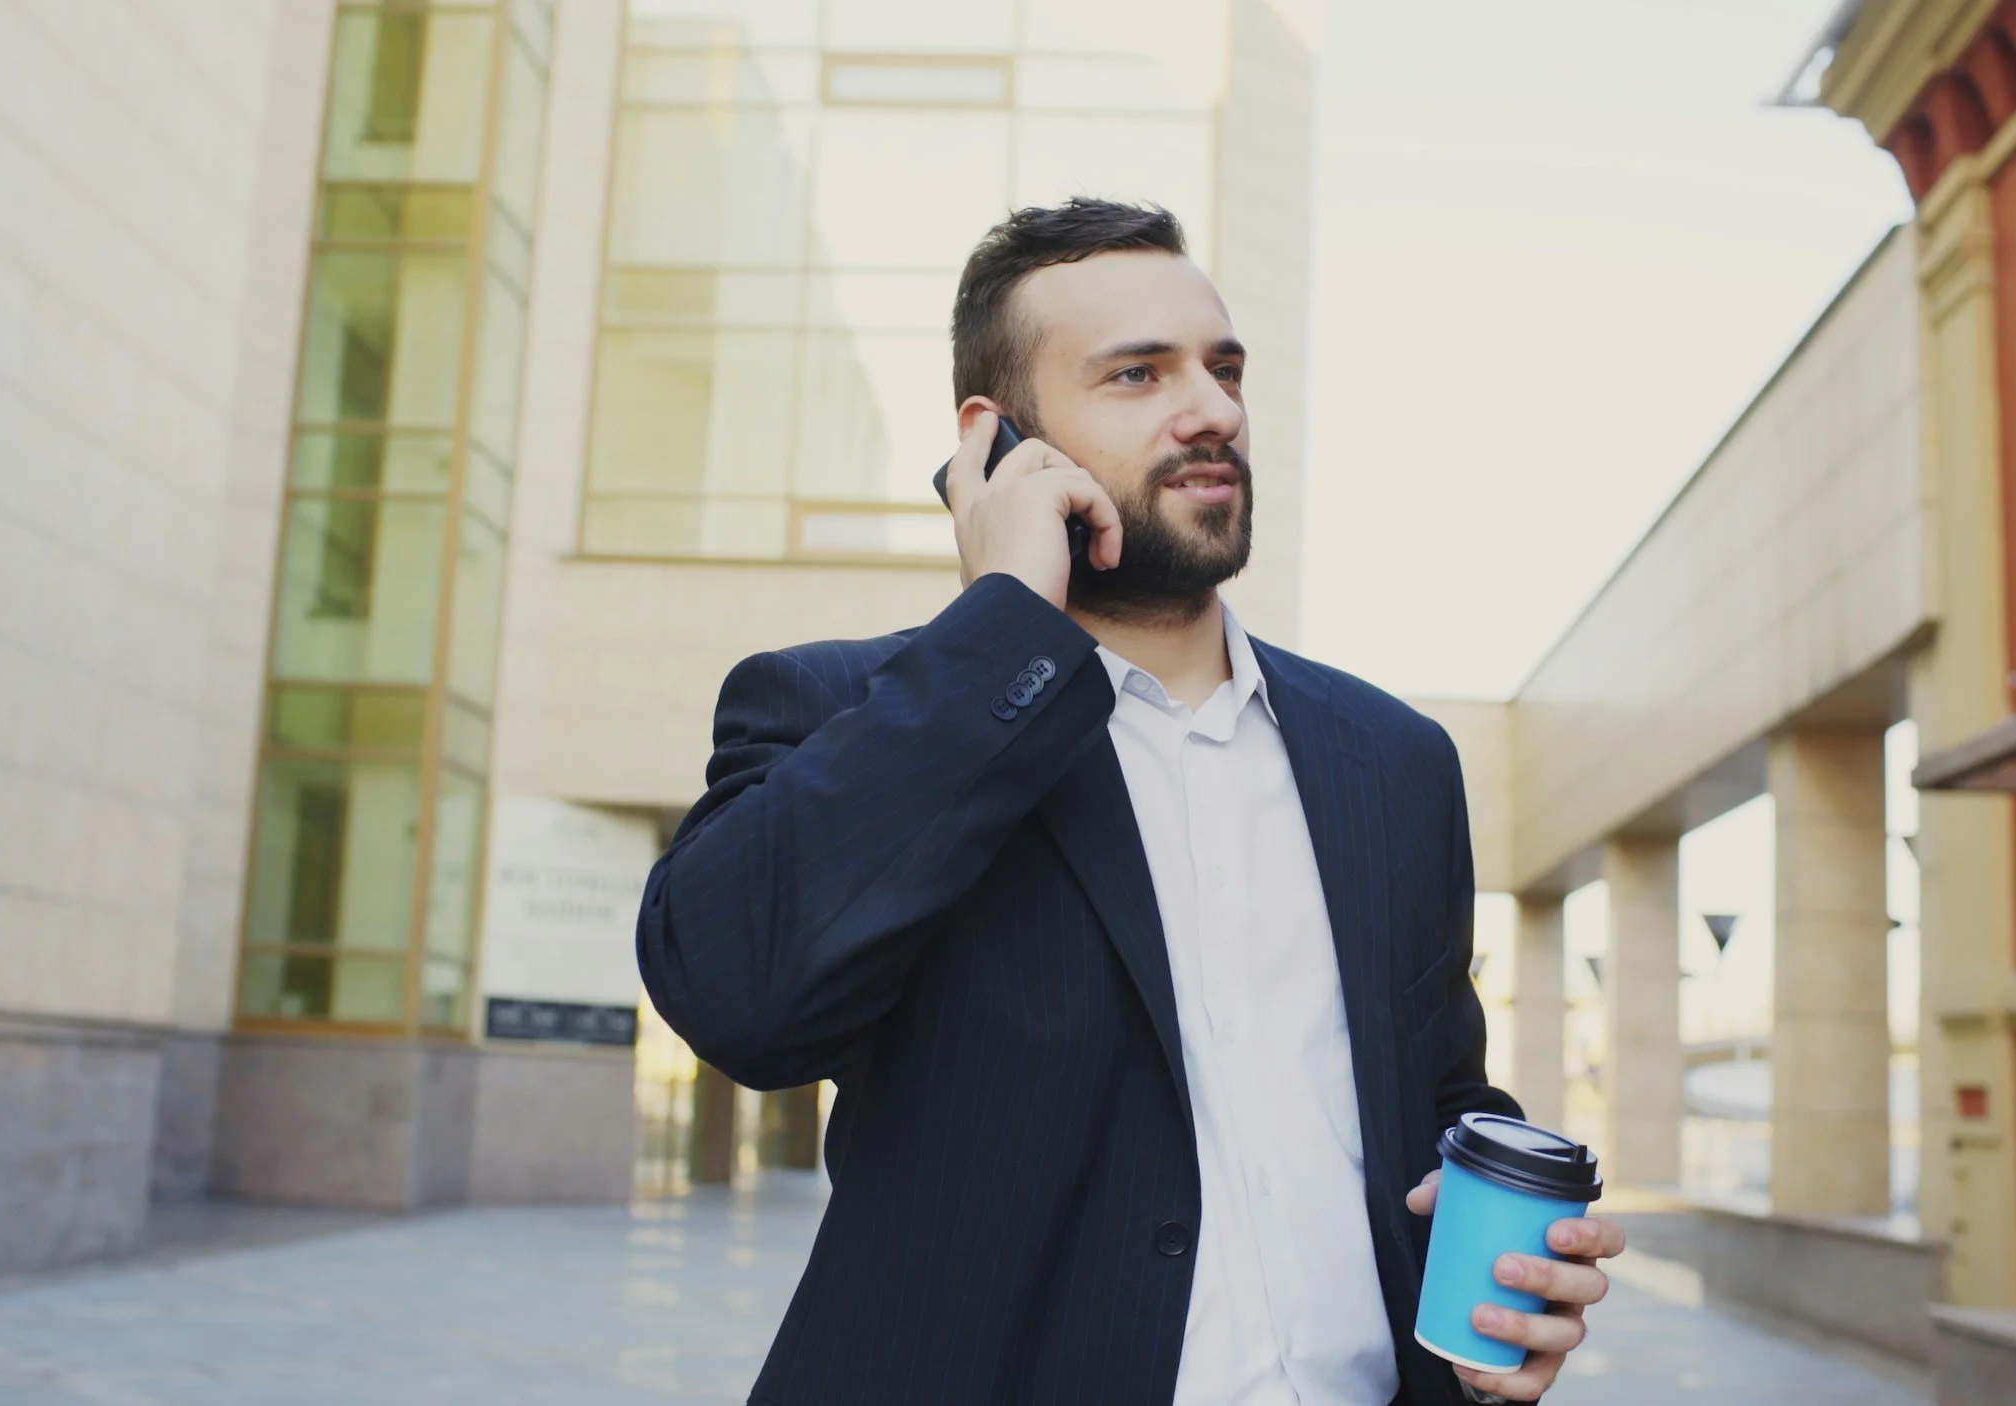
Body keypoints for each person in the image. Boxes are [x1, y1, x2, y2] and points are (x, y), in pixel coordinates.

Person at [638, 198, 1624, 1405]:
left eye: (1222, 368)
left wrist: (1498, 1294)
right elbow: (741, 997)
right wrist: (1001, 620)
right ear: (997, 440)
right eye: (1136, 374)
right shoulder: (846, 707)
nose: (1210, 409)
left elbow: (1424, 1103)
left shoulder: (1394, 760)